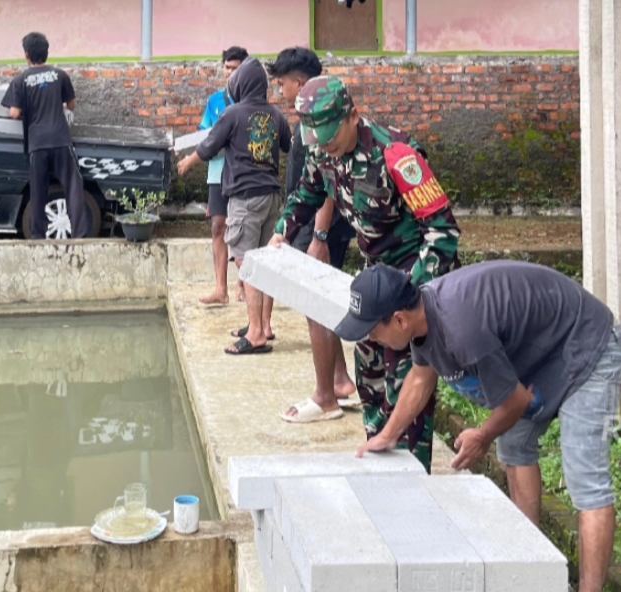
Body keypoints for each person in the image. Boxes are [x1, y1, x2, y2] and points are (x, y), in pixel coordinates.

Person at [343, 260, 621, 592]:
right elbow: (420, 378)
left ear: (400, 319)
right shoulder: (425, 320)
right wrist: (388, 435)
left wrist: (482, 436)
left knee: (585, 477)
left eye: (373, 330)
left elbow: (514, 403)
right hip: (542, 352)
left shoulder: (461, 328)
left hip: (588, 345)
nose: (372, 338)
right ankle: (531, 570)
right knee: (515, 448)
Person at [268, 76, 461, 470]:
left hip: (413, 284)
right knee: (370, 373)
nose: (326, 150)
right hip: (374, 283)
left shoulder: (397, 155)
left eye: (332, 141)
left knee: (406, 386)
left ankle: (411, 475)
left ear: (352, 116)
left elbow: (443, 233)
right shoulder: (320, 149)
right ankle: (379, 461)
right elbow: (306, 194)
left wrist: (410, 293)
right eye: (318, 142)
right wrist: (280, 236)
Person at [265, 48, 359, 422]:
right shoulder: (308, 123)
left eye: (283, 83)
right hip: (306, 224)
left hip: (319, 228)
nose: (281, 90)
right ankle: (339, 381)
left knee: (317, 304)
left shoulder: (319, 126)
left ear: (300, 83)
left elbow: (327, 186)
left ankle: (327, 397)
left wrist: (319, 234)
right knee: (317, 302)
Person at [178, 57, 291, 355]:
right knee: (266, 263)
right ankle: (263, 325)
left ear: (239, 85)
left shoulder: (232, 113)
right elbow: (289, 146)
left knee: (248, 264)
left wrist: (188, 161)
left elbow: (208, 146)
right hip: (272, 196)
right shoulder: (276, 115)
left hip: (245, 198)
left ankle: (254, 335)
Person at [2, 32, 90, 239]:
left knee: (38, 191)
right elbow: (72, 104)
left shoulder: (20, 80)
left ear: (26, 55)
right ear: (47, 53)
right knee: (73, 186)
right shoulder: (60, 75)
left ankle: (37, 236)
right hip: (60, 140)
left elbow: (14, 112)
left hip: (37, 143)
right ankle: (80, 234)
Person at [198, 46, 248, 306]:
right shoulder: (215, 100)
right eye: (227, 67)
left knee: (244, 229)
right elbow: (205, 135)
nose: (231, 72)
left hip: (243, 175)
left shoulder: (252, 102)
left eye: (236, 68)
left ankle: (244, 284)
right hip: (217, 173)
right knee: (218, 225)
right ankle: (221, 289)